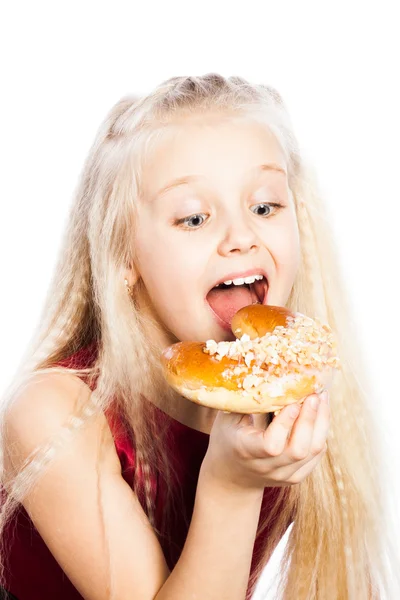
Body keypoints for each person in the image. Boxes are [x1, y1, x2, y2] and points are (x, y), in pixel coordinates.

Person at [0, 73, 397, 600]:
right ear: (123, 256)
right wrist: (233, 484)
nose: (241, 237)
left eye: (264, 207)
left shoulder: (290, 394)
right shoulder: (57, 411)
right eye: (193, 217)